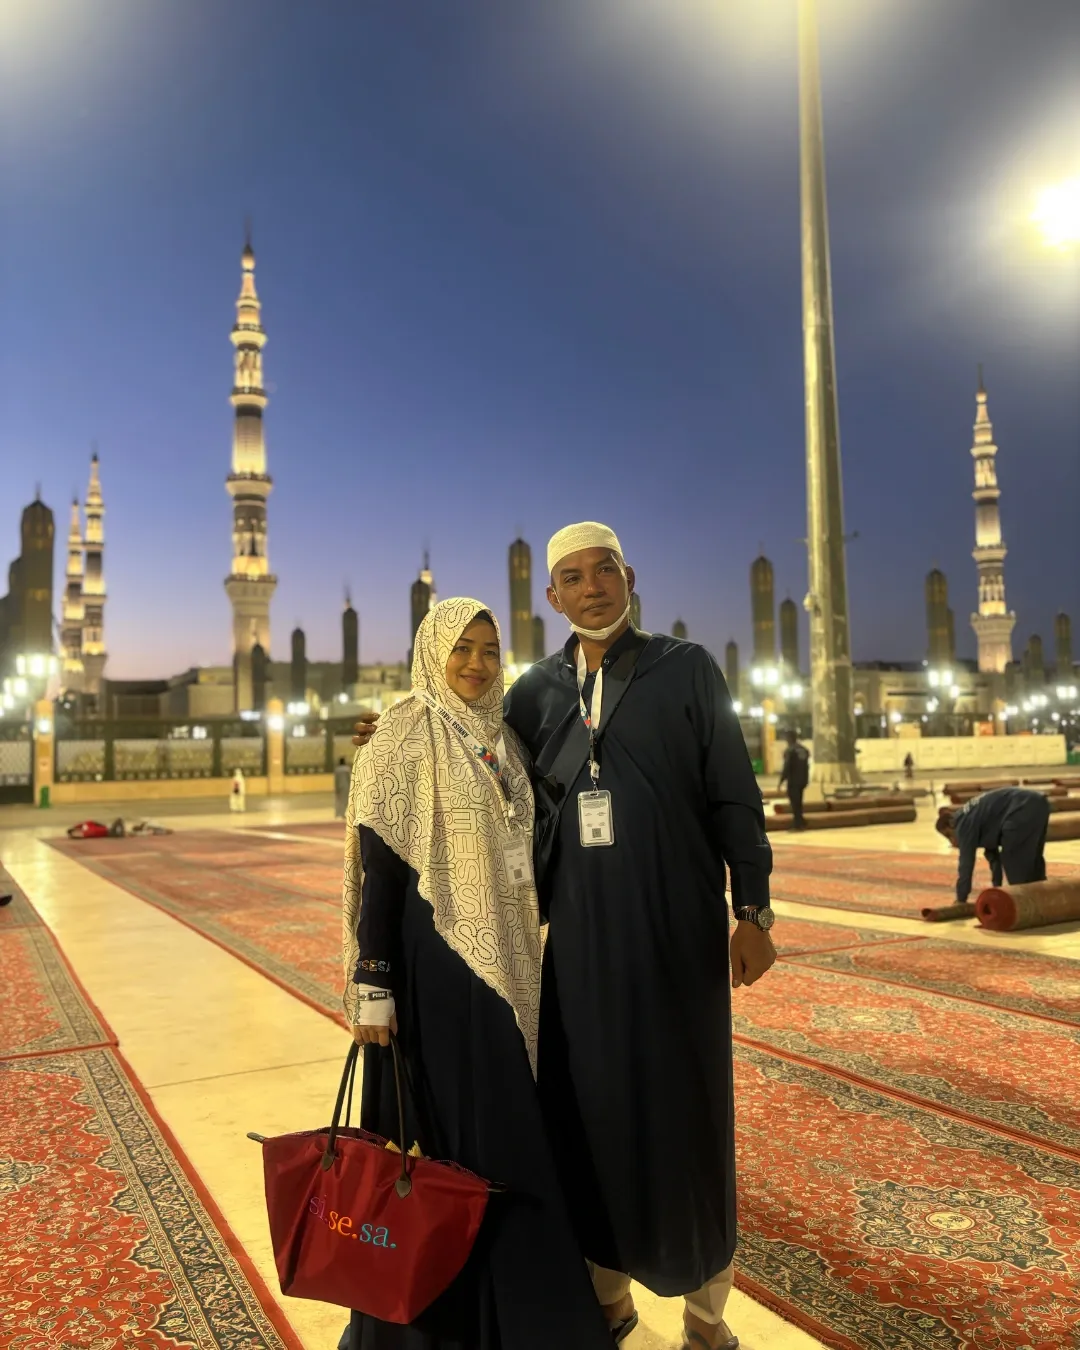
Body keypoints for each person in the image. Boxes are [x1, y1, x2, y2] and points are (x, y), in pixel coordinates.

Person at [354, 525, 776, 1350]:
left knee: (689, 1115)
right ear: (551, 597)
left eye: (604, 571)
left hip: (676, 935)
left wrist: (752, 910)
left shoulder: (684, 669)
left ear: (629, 577)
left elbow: (733, 792)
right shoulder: (538, 692)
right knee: (589, 1118)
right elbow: (469, 741)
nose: (591, 588)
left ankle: (705, 1317)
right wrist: (397, 731)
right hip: (575, 948)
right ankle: (609, 1299)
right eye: (573, 578)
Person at [340, 598, 611, 1350]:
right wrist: (374, 982)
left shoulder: (504, 741)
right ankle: (468, 1326)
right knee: (457, 1149)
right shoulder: (401, 734)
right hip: (442, 970)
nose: (476, 664)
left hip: (511, 965)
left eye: (490, 650)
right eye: (461, 648)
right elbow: (381, 873)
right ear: (432, 651)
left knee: (501, 1141)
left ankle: (506, 1318)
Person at [936, 785, 1052, 905]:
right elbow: (994, 858)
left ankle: (1026, 904)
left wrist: (961, 899)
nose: (952, 842)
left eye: (949, 835)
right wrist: (997, 888)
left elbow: (966, 864)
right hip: (1039, 802)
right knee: (1033, 857)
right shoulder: (975, 819)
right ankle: (1042, 898)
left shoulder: (962, 824)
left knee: (1013, 858)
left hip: (1021, 807)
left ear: (951, 824)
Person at [778, 729, 810, 830]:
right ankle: (801, 820)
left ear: (789, 738)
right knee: (799, 801)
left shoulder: (790, 750)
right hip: (803, 780)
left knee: (794, 802)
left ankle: (798, 824)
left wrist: (781, 781)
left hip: (793, 781)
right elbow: (806, 766)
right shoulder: (804, 749)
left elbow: (787, 767)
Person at [334, 754, 351, 819]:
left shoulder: (337, 770)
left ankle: (337, 813)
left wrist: (336, 788)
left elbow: (336, 780)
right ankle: (343, 813)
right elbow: (348, 778)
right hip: (346, 786)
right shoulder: (347, 769)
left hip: (339, 786)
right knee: (345, 801)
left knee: (338, 800)